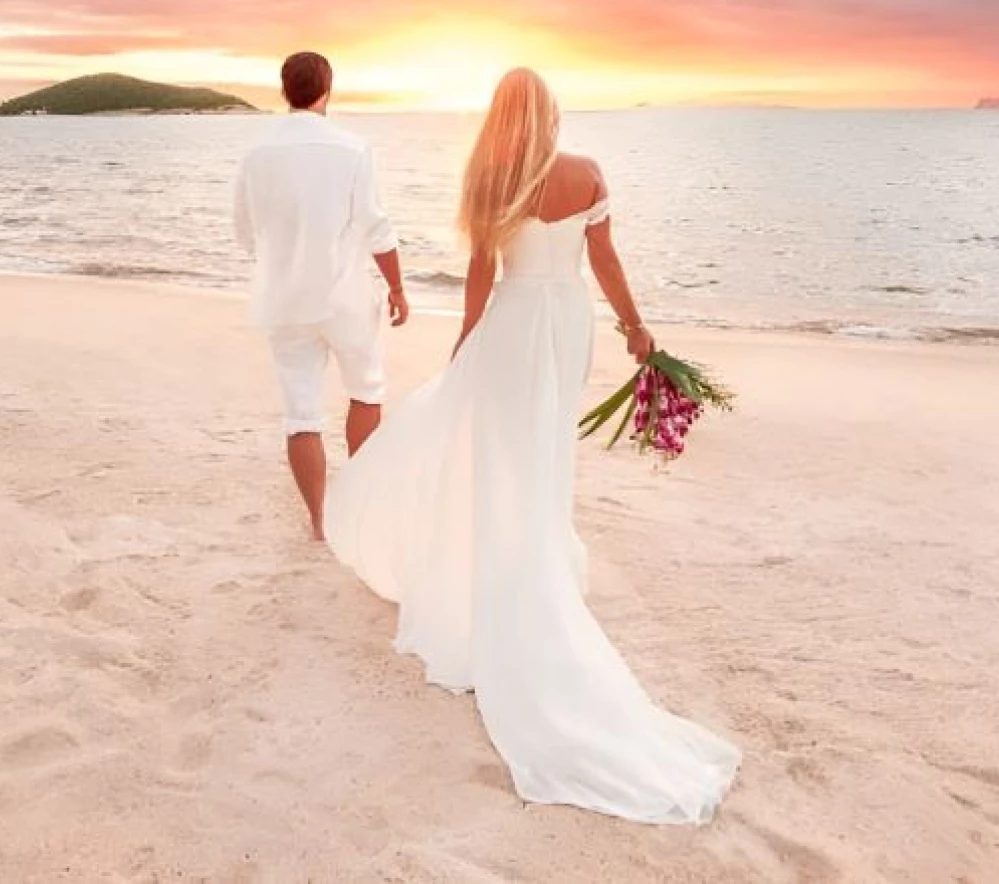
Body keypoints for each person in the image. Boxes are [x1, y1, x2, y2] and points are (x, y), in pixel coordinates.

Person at [324, 67, 739, 824]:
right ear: (549, 112)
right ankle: (537, 556)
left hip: (512, 324)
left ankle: (513, 560)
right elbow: (605, 262)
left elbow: (482, 273)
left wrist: (464, 348)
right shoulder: (585, 173)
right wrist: (636, 330)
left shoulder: (490, 177)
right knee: (546, 448)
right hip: (563, 323)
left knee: (501, 450)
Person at [234, 51, 408, 540]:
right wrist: (397, 288)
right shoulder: (352, 150)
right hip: (346, 297)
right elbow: (377, 228)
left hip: (285, 300)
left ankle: (318, 520)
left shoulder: (256, 154)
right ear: (327, 89)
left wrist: (283, 261)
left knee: (301, 413)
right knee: (367, 389)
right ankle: (361, 504)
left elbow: (244, 232)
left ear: (285, 89)